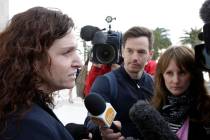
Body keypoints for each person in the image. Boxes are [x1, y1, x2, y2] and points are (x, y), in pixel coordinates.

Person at [0, 7, 90, 140]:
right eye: (66, 52)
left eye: (75, 51)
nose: (79, 63)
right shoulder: (27, 126)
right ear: (33, 58)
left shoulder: (20, 104)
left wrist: (68, 133)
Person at [85, 26, 155, 139]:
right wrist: (101, 131)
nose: (135, 57)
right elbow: (90, 121)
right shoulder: (105, 83)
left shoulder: (155, 84)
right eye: (130, 51)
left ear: (150, 55)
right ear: (122, 51)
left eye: (141, 52)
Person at [150, 46, 210, 140]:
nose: (176, 80)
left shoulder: (206, 109)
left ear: (193, 75)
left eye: (182, 73)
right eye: (169, 73)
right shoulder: (153, 111)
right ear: (162, 76)